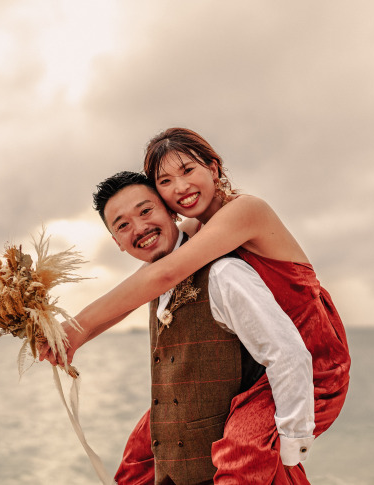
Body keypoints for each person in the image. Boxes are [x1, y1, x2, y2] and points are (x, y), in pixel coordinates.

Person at [59, 128, 351, 440]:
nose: (180, 187)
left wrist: (79, 326)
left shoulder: (246, 211)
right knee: (145, 448)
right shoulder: (196, 227)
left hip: (310, 361)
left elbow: (164, 275)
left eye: (187, 170)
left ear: (213, 168)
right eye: (165, 181)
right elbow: (142, 286)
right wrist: (73, 335)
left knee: (244, 453)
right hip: (254, 364)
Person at [83, 171, 315, 484]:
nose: (139, 228)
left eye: (145, 211)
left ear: (171, 211)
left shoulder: (224, 273)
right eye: (122, 225)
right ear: (117, 242)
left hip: (235, 472)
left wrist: (291, 447)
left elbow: (287, 355)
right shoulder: (149, 285)